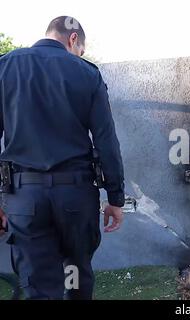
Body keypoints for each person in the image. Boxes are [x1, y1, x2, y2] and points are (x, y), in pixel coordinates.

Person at [0, 16, 125, 300]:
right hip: (76, 196)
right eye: (81, 49)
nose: (80, 54)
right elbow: (106, 141)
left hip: (23, 197)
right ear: (72, 40)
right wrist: (116, 198)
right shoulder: (87, 73)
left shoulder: (4, 67)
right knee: (77, 277)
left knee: (37, 286)